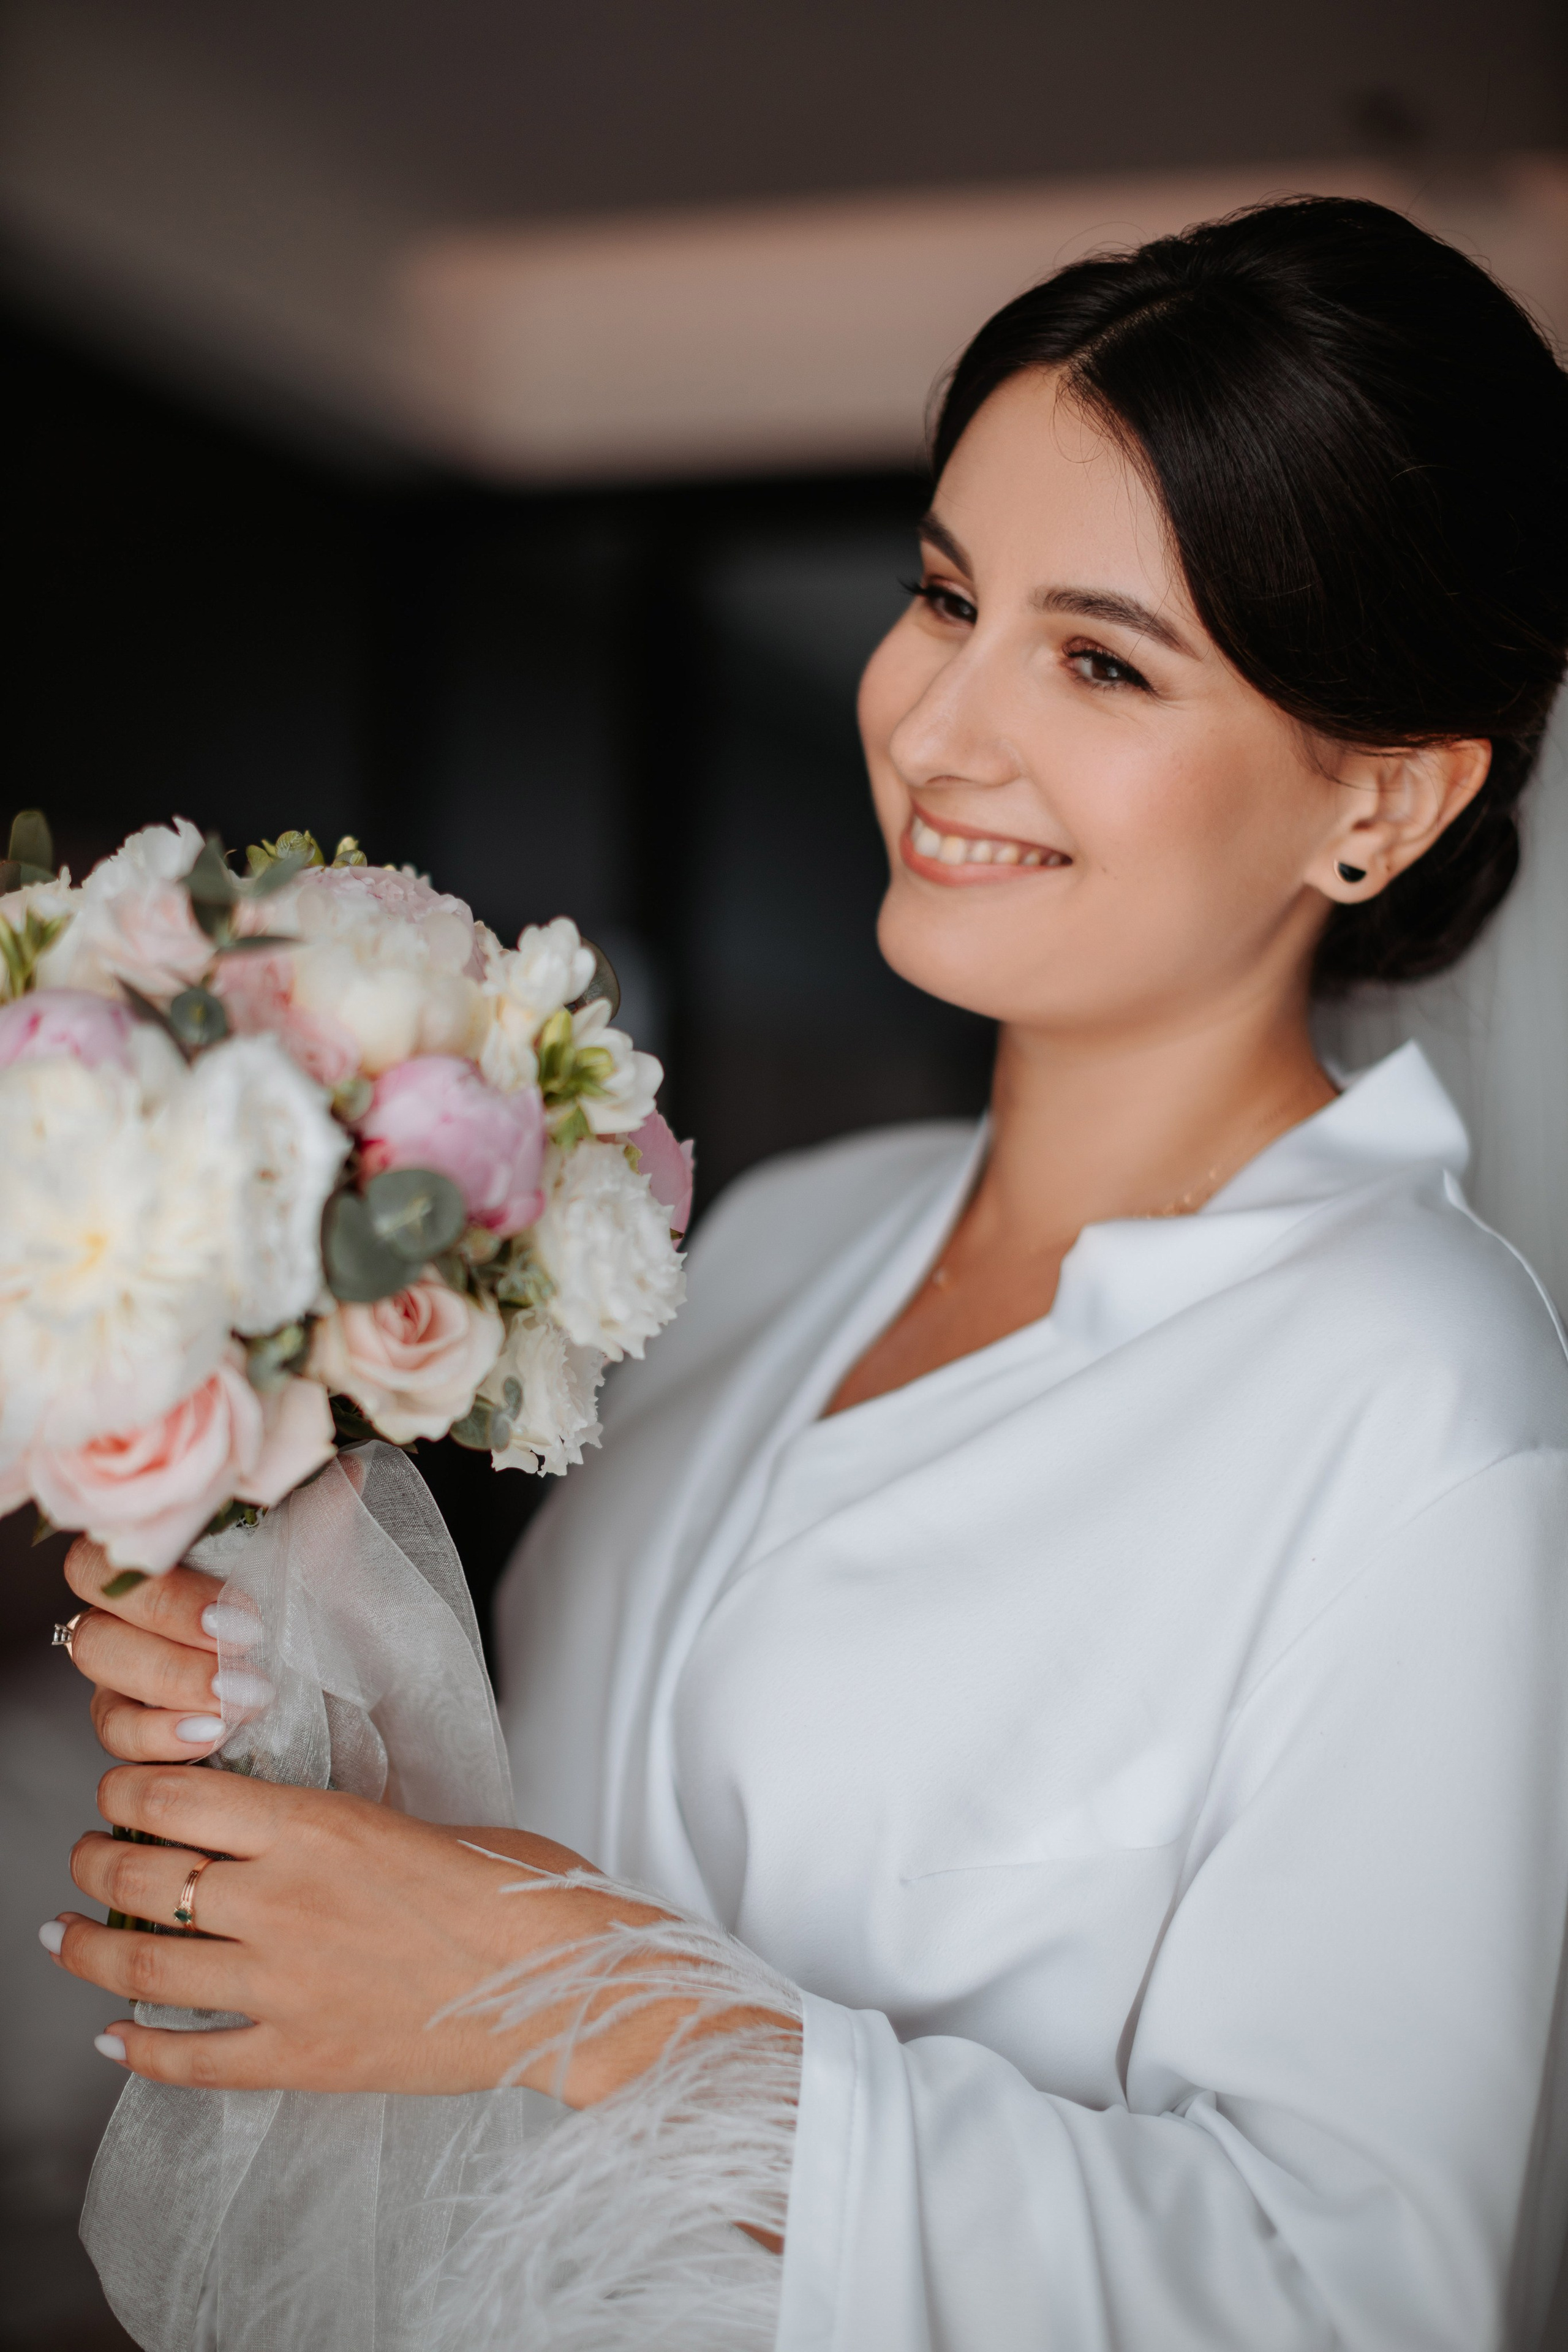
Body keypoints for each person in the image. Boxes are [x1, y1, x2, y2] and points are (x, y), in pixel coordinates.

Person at [41, 197, 1568, 2349]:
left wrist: (566, 1992)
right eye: (947, 593)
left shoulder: (1430, 1399)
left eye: (1102, 657)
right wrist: (280, 1674)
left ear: (1384, 804)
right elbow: (538, 1854)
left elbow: (1350, 2292)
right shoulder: (781, 1235)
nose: (941, 725)